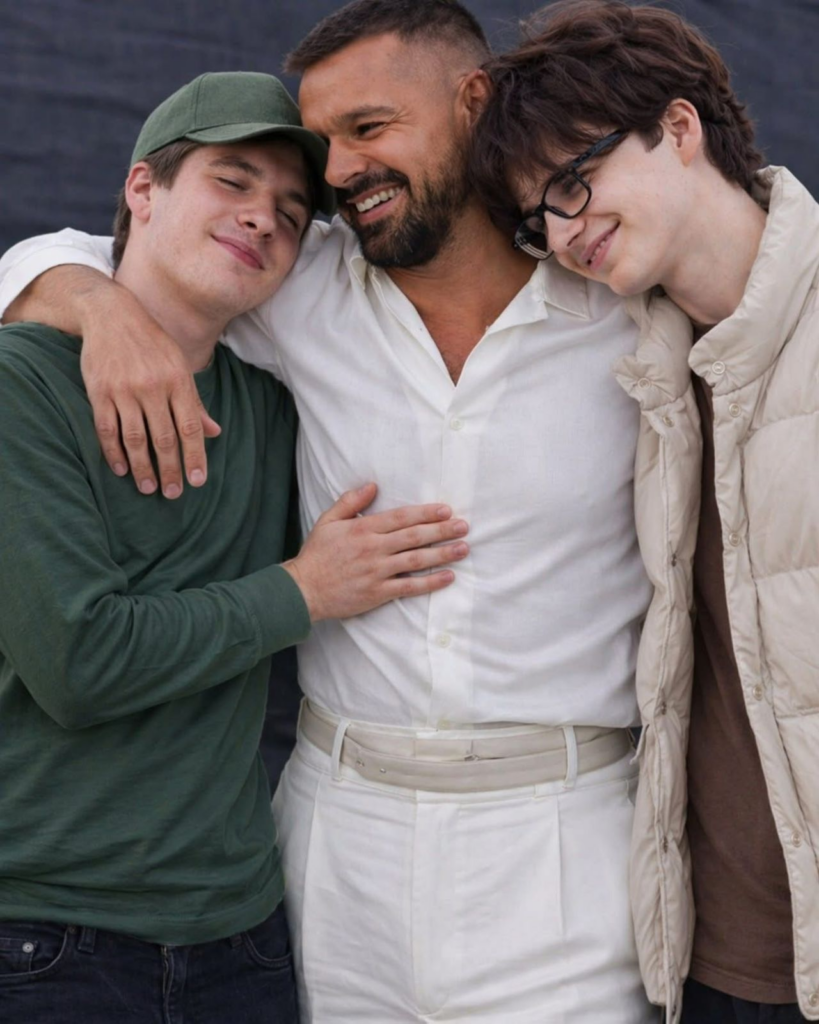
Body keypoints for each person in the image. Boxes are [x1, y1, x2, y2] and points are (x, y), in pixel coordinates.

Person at [0, 2, 662, 1021]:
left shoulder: (622, 300)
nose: (340, 173)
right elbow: (113, 249)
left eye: (369, 127)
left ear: (474, 103)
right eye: (326, 146)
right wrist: (97, 307)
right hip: (336, 850)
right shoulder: (301, 286)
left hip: (564, 854)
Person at [0, 69, 470, 1023]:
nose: (263, 218)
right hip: (51, 932)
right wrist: (305, 590)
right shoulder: (21, 384)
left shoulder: (274, 406)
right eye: (232, 181)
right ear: (142, 189)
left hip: (244, 934)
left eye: (293, 213)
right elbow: (80, 663)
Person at [470, 1, 819, 1022]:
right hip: (713, 960)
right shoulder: (634, 363)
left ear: (678, 126)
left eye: (573, 180)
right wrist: (66, 279)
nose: (561, 232)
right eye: (537, 217)